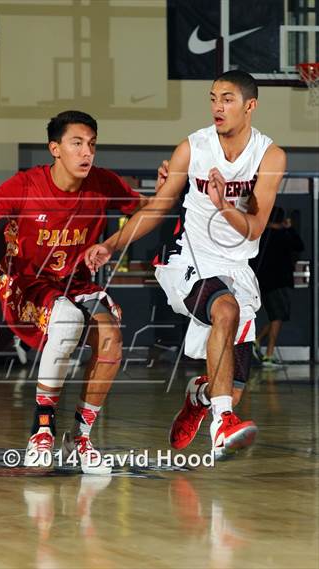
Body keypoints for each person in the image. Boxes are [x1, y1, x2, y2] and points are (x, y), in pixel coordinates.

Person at [0, 110, 153, 474]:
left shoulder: (103, 183)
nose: (86, 153)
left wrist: (157, 197)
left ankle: (80, 438)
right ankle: (41, 430)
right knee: (64, 321)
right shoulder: (25, 184)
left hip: (74, 281)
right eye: (77, 143)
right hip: (26, 283)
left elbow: (147, 210)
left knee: (110, 340)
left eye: (92, 145)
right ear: (55, 148)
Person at [85, 71, 286, 459]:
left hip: (236, 264)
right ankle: (223, 422)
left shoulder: (270, 155)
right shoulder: (193, 148)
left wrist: (223, 204)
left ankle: (201, 397)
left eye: (227, 99)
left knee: (234, 382)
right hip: (187, 257)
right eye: (213, 98)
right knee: (224, 309)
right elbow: (159, 207)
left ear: (250, 106)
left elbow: (256, 227)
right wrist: (111, 244)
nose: (217, 107)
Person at [250, 206, 304, 367]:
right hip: (277, 282)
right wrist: (289, 229)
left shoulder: (259, 234)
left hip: (262, 281)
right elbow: (299, 246)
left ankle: (257, 342)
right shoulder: (282, 235)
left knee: (278, 315)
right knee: (278, 316)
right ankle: (268, 353)